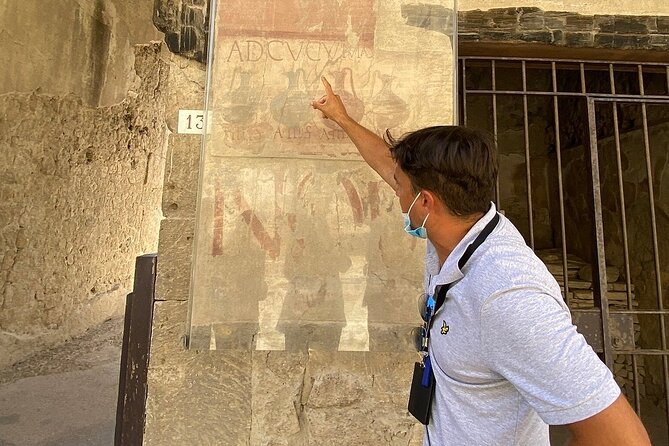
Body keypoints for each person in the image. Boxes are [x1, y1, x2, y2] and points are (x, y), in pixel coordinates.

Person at [311, 77, 651, 445]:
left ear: (425, 202)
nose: (397, 192)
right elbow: (389, 165)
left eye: (401, 188)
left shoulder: (507, 297)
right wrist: (342, 118)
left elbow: (622, 438)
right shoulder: (462, 226)